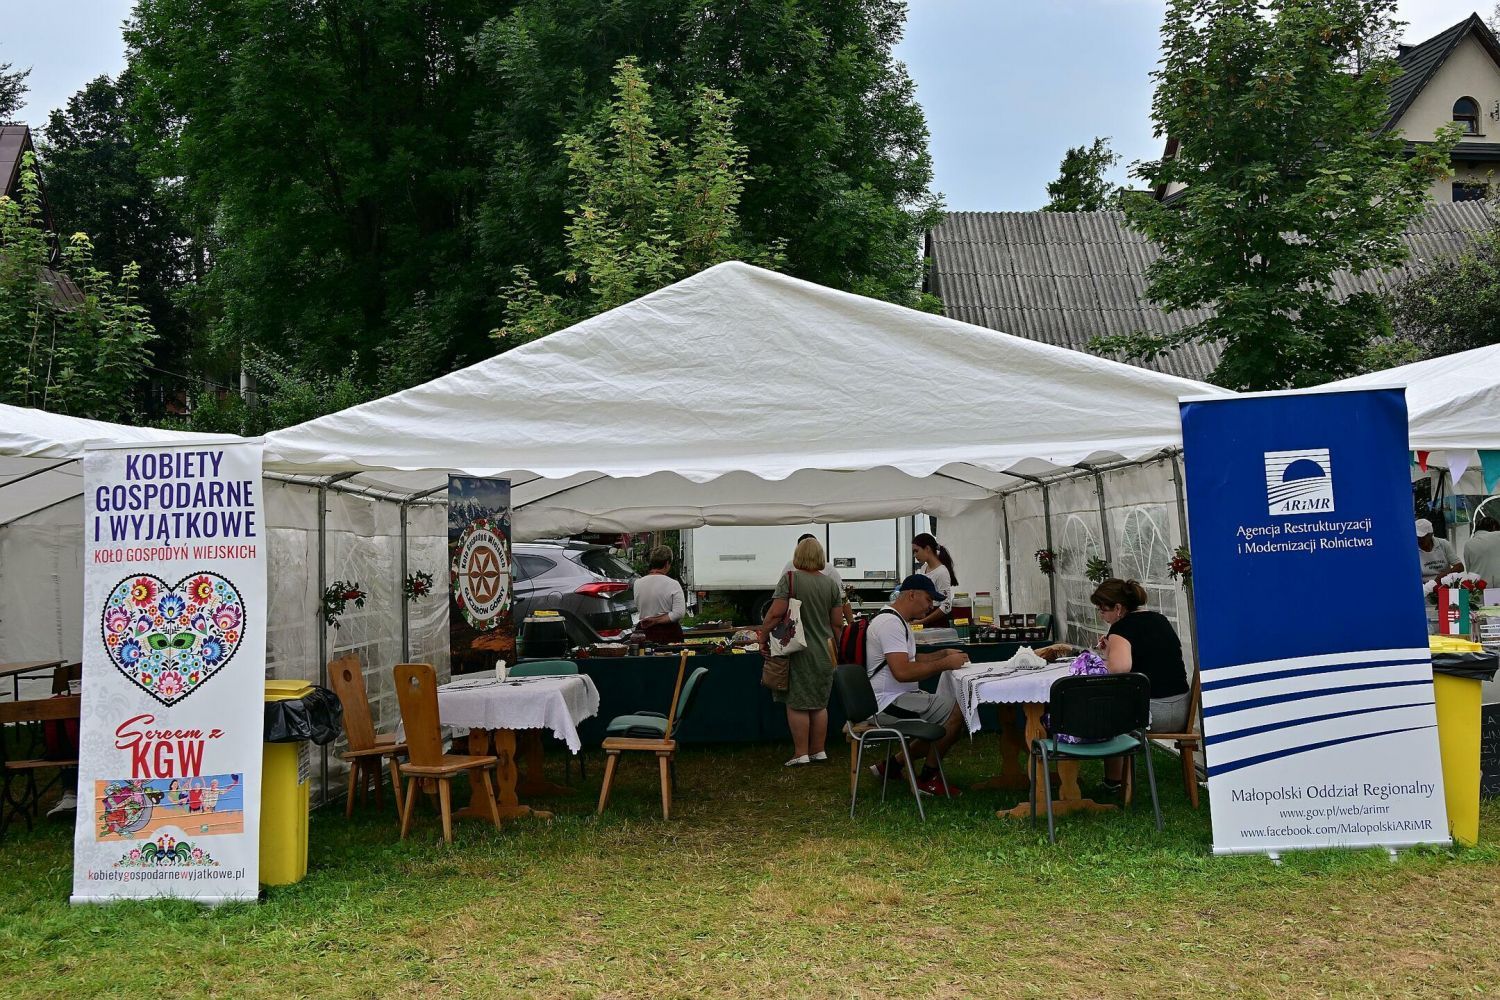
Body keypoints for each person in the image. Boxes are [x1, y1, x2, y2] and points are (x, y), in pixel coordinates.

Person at [863, 574, 971, 796]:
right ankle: (928, 778)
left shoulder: (895, 620)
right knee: (957, 711)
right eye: (929, 599)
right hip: (887, 703)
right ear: (911, 594)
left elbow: (910, 659)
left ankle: (893, 766)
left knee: (952, 718)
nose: (931, 605)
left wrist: (943, 653)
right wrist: (944, 664)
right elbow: (902, 672)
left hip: (891, 698)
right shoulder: (890, 624)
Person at [1086, 578, 1190, 790]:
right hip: (1183, 711)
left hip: (1151, 714)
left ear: (1118, 608)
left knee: (1106, 708)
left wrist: (1105, 655)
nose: (1101, 615)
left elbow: (1119, 669)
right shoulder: (1159, 619)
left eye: (1103, 609)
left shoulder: (1120, 629)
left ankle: (1114, 780)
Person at [760, 537, 845, 767]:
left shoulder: (790, 579)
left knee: (797, 703)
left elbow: (775, 613)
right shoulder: (831, 584)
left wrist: (763, 635)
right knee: (819, 704)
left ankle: (801, 753)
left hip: (798, 650)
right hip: (824, 650)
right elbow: (837, 623)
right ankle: (819, 750)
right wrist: (839, 648)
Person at [781, 533, 853, 625]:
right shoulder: (790, 566)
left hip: (796, 625)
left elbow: (843, 598)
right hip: (819, 625)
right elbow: (842, 599)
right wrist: (850, 626)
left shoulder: (828, 568)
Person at [634, 545, 687, 643]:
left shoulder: (637, 583)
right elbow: (678, 613)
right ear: (667, 564)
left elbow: (639, 607)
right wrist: (656, 620)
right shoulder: (673, 584)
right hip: (668, 634)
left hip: (644, 632)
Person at [911, 532, 957, 628]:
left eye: (916, 551)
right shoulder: (923, 568)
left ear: (927, 548)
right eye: (913, 552)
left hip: (938, 625)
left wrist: (923, 621)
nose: (914, 555)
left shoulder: (941, 572)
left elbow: (946, 606)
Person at [1416, 518, 1463, 582]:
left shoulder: (1443, 544)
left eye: (1423, 537)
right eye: (1417, 537)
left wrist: (1444, 575)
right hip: (1424, 585)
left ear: (1431, 534)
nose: (1420, 540)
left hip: (1444, 583)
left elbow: (1460, 567)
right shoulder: (1413, 548)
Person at [1461, 513, 1500, 586]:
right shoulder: (1497, 535)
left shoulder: (1468, 544)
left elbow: (1470, 571)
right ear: (1494, 527)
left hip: (1478, 589)